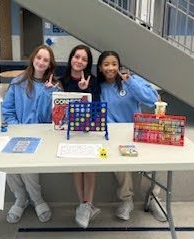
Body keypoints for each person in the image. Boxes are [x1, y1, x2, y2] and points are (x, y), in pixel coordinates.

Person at [96, 50, 167, 222]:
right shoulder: (98, 88)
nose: (110, 68)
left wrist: (131, 83)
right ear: (100, 68)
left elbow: (153, 100)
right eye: (106, 64)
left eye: (114, 64)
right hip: (113, 137)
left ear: (119, 66)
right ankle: (126, 201)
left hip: (138, 133)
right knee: (118, 165)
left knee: (151, 161)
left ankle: (153, 199)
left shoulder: (131, 80)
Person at [2, 45, 61, 224]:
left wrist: (49, 93)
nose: (41, 62)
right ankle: (20, 197)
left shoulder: (55, 86)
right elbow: (7, 110)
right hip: (16, 132)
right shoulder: (18, 82)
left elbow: (55, 116)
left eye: (46, 60)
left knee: (28, 165)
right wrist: (17, 129)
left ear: (50, 64)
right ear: (33, 59)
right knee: (9, 163)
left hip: (42, 136)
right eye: (39, 58)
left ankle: (36, 199)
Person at [59, 44, 101, 228]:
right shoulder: (62, 80)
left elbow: (97, 108)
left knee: (90, 168)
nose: (79, 61)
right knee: (77, 167)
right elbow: (58, 109)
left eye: (84, 59)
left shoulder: (93, 81)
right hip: (68, 132)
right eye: (77, 57)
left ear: (87, 63)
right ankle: (83, 204)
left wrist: (85, 90)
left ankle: (87, 205)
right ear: (71, 58)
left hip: (89, 130)